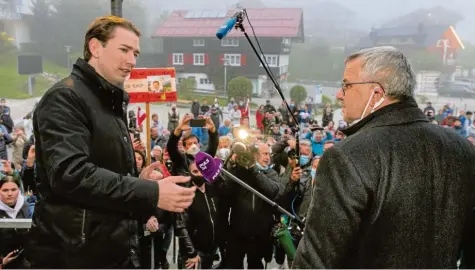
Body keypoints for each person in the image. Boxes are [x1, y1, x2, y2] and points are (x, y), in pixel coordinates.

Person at [25, 16, 196, 269]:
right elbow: (70, 175)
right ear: (96, 48)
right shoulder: (65, 98)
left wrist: (143, 182)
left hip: (109, 251)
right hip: (75, 255)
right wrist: (151, 193)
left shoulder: (108, 103)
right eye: (124, 50)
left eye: (136, 53)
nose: (132, 61)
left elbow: (107, 174)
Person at [293, 46, 475, 269]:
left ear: (376, 93)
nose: (340, 94)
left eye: (346, 85)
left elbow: (315, 261)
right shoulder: (464, 150)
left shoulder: (347, 157)